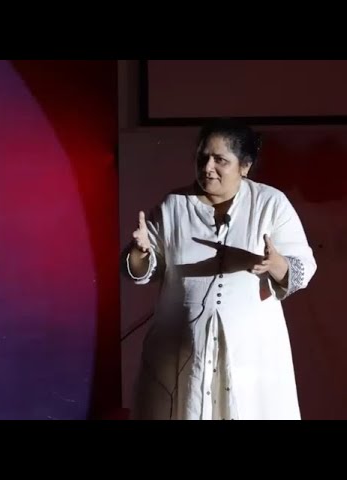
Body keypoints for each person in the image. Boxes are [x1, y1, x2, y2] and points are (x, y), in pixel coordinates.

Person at [122, 118, 317, 420]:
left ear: (244, 166)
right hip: (181, 346)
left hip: (251, 351)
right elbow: (144, 270)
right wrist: (140, 252)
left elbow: (302, 267)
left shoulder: (270, 203)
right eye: (202, 158)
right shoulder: (174, 206)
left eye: (220, 160)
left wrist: (277, 264)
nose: (208, 168)